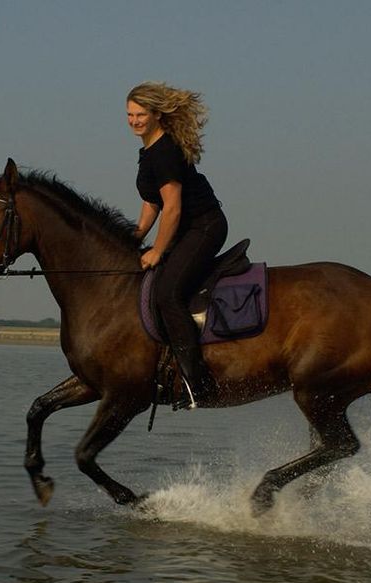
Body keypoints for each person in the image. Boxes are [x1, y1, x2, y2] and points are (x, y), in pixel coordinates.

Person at [127, 81, 228, 409]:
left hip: (203, 227)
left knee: (168, 293)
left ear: (157, 114)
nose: (134, 120)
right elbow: (152, 202)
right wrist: (136, 236)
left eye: (141, 114)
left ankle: (197, 384)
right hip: (183, 231)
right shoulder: (148, 151)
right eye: (129, 114)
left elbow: (173, 207)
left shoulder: (165, 151)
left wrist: (156, 250)